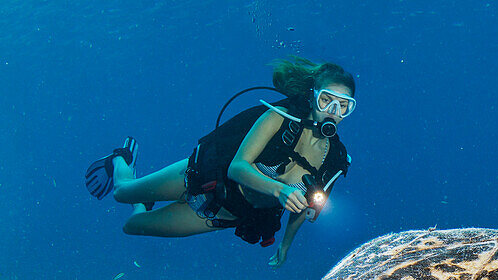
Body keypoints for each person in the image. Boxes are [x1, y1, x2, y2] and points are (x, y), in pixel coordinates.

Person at [84, 57, 354, 267]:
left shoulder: (334, 160)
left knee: (132, 227)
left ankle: (142, 205)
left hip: (219, 214)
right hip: (198, 176)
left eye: (343, 105)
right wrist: (279, 190)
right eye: (326, 100)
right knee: (121, 193)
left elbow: (304, 209)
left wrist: (285, 245)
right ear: (312, 95)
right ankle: (121, 159)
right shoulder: (281, 118)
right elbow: (238, 167)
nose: (333, 111)